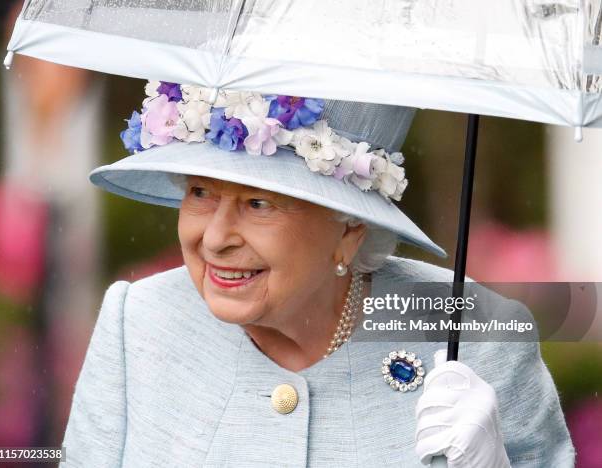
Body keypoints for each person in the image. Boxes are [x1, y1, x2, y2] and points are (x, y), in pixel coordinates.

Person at [60, 83, 575, 467]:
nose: (214, 238)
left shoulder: (475, 335)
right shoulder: (139, 322)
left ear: (350, 230)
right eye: (199, 192)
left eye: (258, 203)